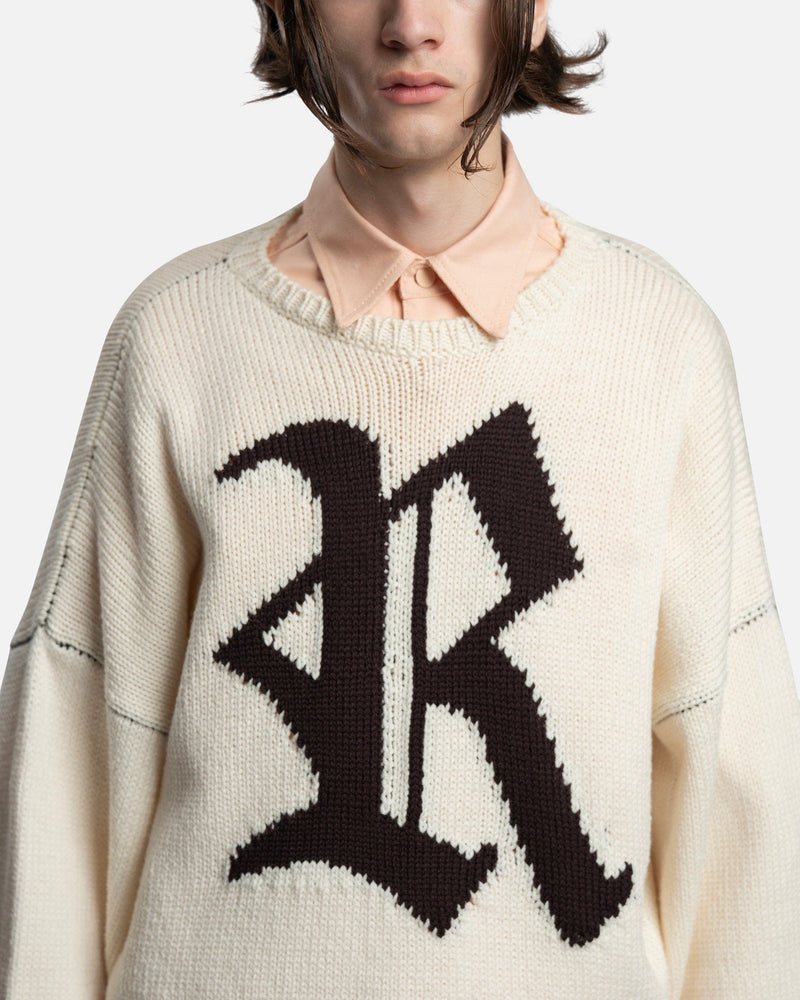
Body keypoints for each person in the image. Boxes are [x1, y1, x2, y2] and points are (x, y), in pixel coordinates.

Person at [1, 0, 798, 997]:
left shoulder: (657, 340)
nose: (409, 24)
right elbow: (68, 768)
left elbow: (735, 807)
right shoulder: (178, 337)